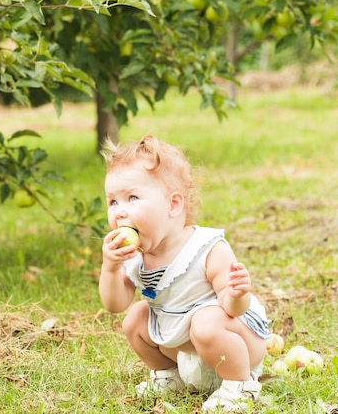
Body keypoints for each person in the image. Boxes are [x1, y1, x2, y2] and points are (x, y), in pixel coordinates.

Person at [99, 135, 270, 413]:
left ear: (173, 205)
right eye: (112, 202)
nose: (119, 212)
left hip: (236, 347)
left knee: (205, 320)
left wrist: (239, 293)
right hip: (184, 350)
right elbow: (114, 304)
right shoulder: (135, 256)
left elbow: (231, 307)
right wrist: (110, 267)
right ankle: (170, 376)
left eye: (132, 198)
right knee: (135, 318)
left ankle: (239, 388)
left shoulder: (206, 248)